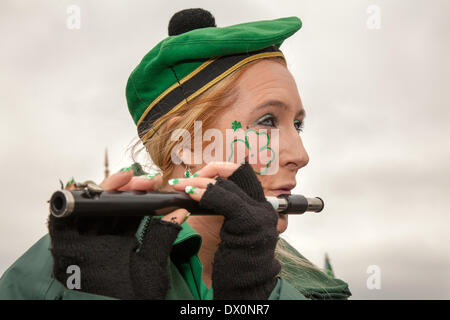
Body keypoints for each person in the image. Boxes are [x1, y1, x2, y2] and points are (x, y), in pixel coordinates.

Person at [0, 8, 352, 300]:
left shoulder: (311, 288)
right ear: (184, 141)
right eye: (267, 121)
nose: (301, 155)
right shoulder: (61, 273)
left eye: (298, 125)